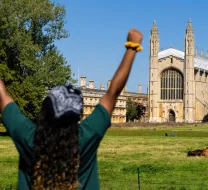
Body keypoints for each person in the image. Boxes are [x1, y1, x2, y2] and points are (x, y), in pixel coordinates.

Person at [0, 28, 143, 189]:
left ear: (44, 111)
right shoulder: (87, 137)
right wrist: (132, 47)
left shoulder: (28, 137)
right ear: (78, 116)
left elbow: (2, 96)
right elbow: (113, 93)